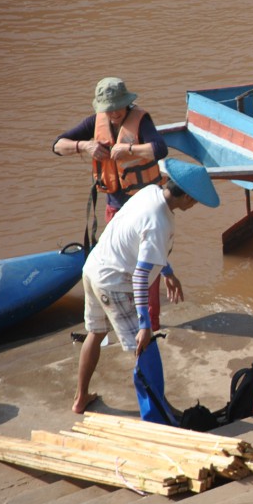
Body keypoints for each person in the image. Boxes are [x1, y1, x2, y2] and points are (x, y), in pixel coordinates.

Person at [72, 159, 220, 417]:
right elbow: (140, 276)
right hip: (115, 283)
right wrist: (144, 324)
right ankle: (161, 410)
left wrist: (167, 271)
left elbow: (137, 242)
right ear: (184, 195)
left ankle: (80, 397)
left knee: (95, 333)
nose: (194, 204)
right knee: (144, 348)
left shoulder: (149, 192)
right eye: (194, 199)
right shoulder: (160, 222)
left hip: (94, 267)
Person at [52, 77, 169, 330]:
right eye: (108, 107)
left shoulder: (141, 119)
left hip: (145, 207)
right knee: (117, 265)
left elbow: (160, 149)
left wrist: (129, 150)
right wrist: (85, 145)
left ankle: (152, 326)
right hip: (115, 208)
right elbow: (57, 146)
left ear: (127, 103)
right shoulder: (96, 121)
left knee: (148, 270)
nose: (113, 112)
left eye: (118, 106)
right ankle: (123, 322)